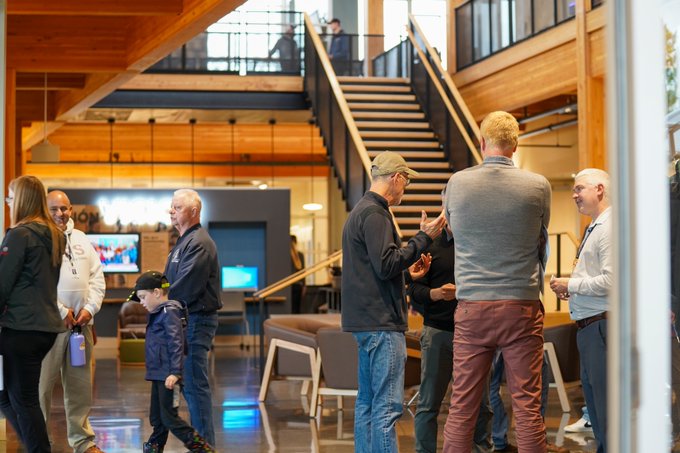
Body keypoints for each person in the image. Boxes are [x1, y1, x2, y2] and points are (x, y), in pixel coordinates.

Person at [443, 111, 551, 453]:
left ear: (481, 143)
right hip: (521, 305)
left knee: (462, 407)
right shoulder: (538, 186)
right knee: (528, 409)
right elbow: (540, 236)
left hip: (472, 306)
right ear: (515, 145)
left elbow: (451, 232)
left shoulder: (457, 183)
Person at [341, 151, 445, 453]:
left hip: (365, 321)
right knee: (386, 408)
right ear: (396, 177)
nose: (406, 188)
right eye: (406, 182)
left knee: (368, 405)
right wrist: (423, 238)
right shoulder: (376, 214)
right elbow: (386, 264)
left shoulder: (360, 211)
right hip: (381, 324)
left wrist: (408, 275)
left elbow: (375, 271)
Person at [407, 196, 493, 453]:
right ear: (444, 209)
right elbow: (413, 288)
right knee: (428, 402)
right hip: (438, 332)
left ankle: (481, 449)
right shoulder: (429, 244)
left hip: (477, 334)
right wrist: (436, 294)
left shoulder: (480, 244)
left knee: (483, 404)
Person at [0, 175, 66, 452]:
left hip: (22, 328)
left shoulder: (19, 235)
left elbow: (3, 283)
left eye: (10, 197)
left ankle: (39, 449)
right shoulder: (55, 235)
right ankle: (34, 446)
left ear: (22, 200)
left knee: (23, 398)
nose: (8, 202)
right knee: (9, 397)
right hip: (45, 329)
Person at [550, 168, 612, 453]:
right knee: (597, 412)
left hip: (602, 328)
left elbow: (612, 281)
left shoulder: (609, 227)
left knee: (606, 410)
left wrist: (572, 284)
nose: (574, 195)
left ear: (599, 189)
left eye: (579, 189)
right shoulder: (595, 225)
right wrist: (571, 289)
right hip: (589, 327)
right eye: (574, 189)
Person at [39, 190, 106, 453]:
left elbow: (97, 278)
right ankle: (40, 441)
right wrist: (60, 310)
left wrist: (90, 309)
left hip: (81, 326)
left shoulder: (81, 239)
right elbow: (39, 282)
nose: (60, 213)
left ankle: (82, 442)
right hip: (49, 327)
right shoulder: (40, 238)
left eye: (64, 208)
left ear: (71, 209)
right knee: (42, 388)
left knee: (80, 389)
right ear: (46, 210)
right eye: (54, 208)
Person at [128, 271, 215, 453]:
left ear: (157, 293)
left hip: (168, 375)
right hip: (158, 374)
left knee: (170, 418)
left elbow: (177, 342)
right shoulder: (159, 313)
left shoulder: (169, 312)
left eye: (143, 297)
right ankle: (154, 448)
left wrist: (175, 372)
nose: (142, 303)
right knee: (157, 418)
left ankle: (202, 448)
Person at [164, 189, 221, 446]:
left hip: (196, 321)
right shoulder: (183, 242)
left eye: (177, 207)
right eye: (172, 207)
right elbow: (170, 283)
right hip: (185, 322)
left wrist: (159, 301)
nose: (171, 211)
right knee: (189, 386)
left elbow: (185, 286)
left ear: (194, 211)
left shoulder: (199, 242)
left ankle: (205, 447)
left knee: (195, 387)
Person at [290, 235, 306, 314]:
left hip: (290, 285)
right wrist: (304, 285)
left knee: (292, 308)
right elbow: (303, 271)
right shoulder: (300, 255)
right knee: (297, 309)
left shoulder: (297, 255)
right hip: (298, 285)